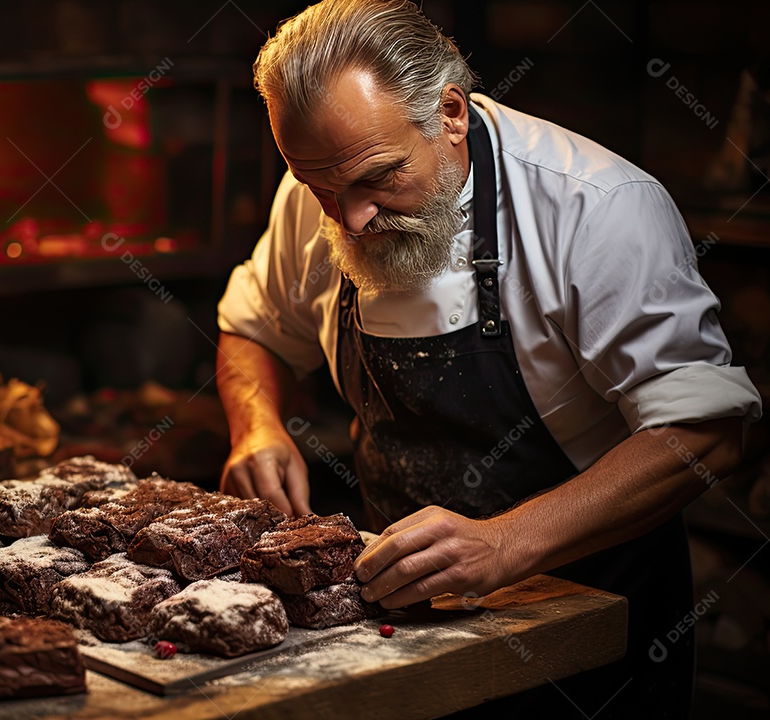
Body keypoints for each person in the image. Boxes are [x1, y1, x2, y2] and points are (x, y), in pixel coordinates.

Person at [215, 1, 763, 717]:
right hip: (400, 615)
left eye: (379, 178)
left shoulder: (597, 206)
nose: (350, 218)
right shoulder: (326, 182)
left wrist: (508, 543)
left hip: (587, 620)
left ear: (449, 113)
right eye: (323, 190)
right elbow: (254, 328)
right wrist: (257, 425)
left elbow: (707, 434)